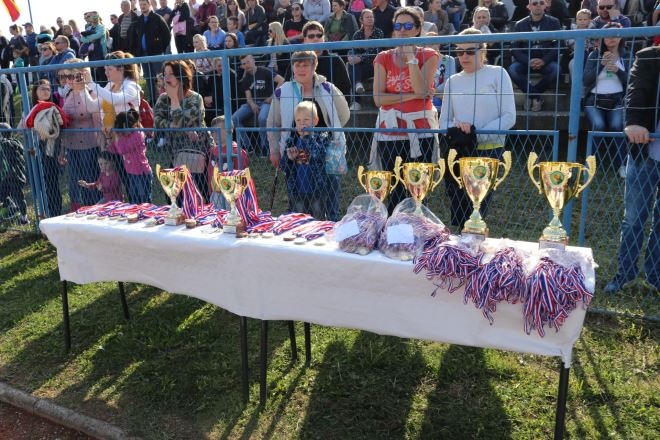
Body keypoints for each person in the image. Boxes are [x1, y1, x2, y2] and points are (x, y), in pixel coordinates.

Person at [439, 28, 516, 227]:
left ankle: (472, 241)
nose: (464, 56)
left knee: (478, 209)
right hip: (460, 151)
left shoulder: (498, 73)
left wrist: (474, 135)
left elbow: (509, 116)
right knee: (459, 207)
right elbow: (444, 121)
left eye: (470, 51)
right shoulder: (452, 81)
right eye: (459, 51)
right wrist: (459, 130)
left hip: (489, 151)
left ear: (482, 51)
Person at [267, 50, 350, 220]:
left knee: (329, 195)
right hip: (296, 153)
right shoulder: (282, 92)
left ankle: (330, 223)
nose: (300, 69)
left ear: (314, 67)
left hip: (326, 153)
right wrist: (274, 149)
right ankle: (300, 224)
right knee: (299, 195)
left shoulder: (328, 88)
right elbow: (273, 123)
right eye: (297, 65)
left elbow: (344, 115)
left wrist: (329, 134)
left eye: (305, 65)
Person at [372, 7, 439, 213]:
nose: (402, 30)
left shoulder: (429, 55)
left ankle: (417, 226)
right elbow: (378, 99)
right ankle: (394, 228)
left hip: (420, 131)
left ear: (418, 30)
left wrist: (411, 57)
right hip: (390, 132)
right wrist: (414, 95)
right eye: (398, 25)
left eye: (408, 26)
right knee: (393, 190)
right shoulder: (383, 57)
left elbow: (421, 89)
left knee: (418, 190)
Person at [605, 45, 659, 293]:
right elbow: (635, 91)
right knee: (634, 218)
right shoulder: (649, 55)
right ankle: (624, 274)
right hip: (646, 151)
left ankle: (655, 277)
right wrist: (634, 122)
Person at [154, 60, 210, 200]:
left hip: (197, 153)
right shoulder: (162, 99)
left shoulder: (195, 98)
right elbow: (157, 120)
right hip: (176, 153)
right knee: (173, 197)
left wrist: (174, 98)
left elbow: (181, 122)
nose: (166, 78)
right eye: (164, 74)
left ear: (181, 76)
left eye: (171, 74)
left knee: (199, 195)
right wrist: (172, 126)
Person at [583, 22, 630, 178]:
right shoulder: (594, 55)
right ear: (602, 38)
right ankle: (590, 165)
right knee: (599, 125)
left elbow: (631, 81)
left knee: (618, 126)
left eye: (615, 35)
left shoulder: (626, 56)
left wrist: (618, 71)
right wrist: (601, 65)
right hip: (594, 101)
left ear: (621, 38)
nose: (611, 38)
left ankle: (622, 164)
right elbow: (586, 80)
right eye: (608, 35)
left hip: (617, 101)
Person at [59, 60, 103, 210]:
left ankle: (94, 210)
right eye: (65, 77)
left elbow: (98, 123)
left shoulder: (92, 93)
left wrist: (103, 148)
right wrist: (62, 149)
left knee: (89, 182)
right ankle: (79, 211)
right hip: (72, 147)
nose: (67, 80)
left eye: (70, 76)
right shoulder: (68, 94)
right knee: (75, 183)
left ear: (82, 75)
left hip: (90, 147)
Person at [21, 80, 67, 217]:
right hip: (35, 151)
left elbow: (58, 130)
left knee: (51, 184)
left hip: (50, 151)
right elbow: (21, 127)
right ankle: (43, 213)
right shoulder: (31, 109)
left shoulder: (53, 108)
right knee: (39, 185)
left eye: (48, 89)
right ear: (35, 92)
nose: (46, 91)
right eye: (42, 89)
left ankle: (55, 213)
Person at [508, 0, 561, 112]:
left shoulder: (554, 22)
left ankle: (531, 95)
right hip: (525, 61)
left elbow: (559, 45)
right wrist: (528, 61)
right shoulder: (519, 24)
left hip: (545, 61)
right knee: (512, 70)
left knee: (556, 69)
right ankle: (536, 97)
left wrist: (544, 60)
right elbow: (514, 48)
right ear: (529, 6)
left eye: (541, 3)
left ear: (545, 5)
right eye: (535, 3)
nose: (538, 5)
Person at [281, 101, 329, 218]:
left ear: (315, 121)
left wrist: (307, 137)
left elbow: (318, 154)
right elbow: (284, 166)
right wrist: (289, 159)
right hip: (297, 189)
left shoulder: (321, 138)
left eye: (306, 120)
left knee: (317, 217)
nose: (302, 123)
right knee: (299, 218)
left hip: (316, 190)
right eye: (298, 120)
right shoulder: (292, 141)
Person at [233, 54, 285, 155]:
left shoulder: (264, 70)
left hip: (266, 102)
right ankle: (248, 146)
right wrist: (252, 104)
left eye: (248, 62)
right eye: (244, 63)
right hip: (253, 103)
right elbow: (248, 98)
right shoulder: (246, 78)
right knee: (234, 118)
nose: (246, 65)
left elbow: (281, 80)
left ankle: (264, 147)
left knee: (262, 118)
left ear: (253, 60)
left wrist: (273, 96)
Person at [284, 21, 352, 96]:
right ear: (305, 40)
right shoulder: (297, 62)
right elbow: (287, 88)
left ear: (323, 38)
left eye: (319, 35)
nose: (315, 39)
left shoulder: (335, 60)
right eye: (311, 36)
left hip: (331, 102)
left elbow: (346, 88)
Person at [107, 109, 153, 203]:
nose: (120, 133)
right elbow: (112, 149)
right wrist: (108, 137)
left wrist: (117, 136)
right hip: (131, 173)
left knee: (144, 199)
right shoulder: (124, 136)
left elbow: (122, 150)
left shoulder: (138, 134)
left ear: (125, 126)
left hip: (141, 173)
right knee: (134, 199)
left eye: (120, 130)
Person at [346, 8, 384, 111]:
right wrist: (350, 56)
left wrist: (360, 58)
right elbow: (352, 49)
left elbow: (375, 50)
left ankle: (357, 97)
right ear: (361, 20)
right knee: (351, 64)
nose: (370, 19)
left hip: (375, 65)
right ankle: (356, 98)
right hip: (361, 67)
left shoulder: (378, 32)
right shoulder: (357, 34)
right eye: (367, 17)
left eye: (372, 17)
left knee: (354, 67)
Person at [135, 0, 171, 103]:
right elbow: (138, 37)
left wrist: (160, 49)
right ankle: (154, 102)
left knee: (160, 78)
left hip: (157, 55)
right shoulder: (139, 20)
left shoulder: (157, 18)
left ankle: (165, 100)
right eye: (140, 5)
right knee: (149, 79)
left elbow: (167, 35)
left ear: (149, 5)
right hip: (144, 56)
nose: (142, 6)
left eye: (144, 4)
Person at [0, 123, 28, 224]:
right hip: (6, 177)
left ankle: (24, 218)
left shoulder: (10, 144)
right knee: (2, 195)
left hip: (15, 176)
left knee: (19, 196)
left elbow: (7, 145)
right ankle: (12, 207)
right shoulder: (4, 145)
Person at [203, 57, 239, 125]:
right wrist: (207, 99)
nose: (222, 68)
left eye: (223, 65)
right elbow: (209, 90)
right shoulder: (212, 75)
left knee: (220, 115)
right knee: (205, 112)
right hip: (215, 102)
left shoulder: (232, 74)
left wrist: (213, 98)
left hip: (228, 102)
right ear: (215, 67)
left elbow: (232, 93)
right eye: (219, 66)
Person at [80, 12, 109, 84]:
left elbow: (98, 35)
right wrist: (91, 39)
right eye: (92, 16)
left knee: (103, 76)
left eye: (96, 16)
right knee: (94, 76)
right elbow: (82, 39)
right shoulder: (88, 28)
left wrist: (87, 37)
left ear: (99, 17)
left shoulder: (102, 27)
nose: (94, 18)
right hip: (91, 55)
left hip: (101, 55)